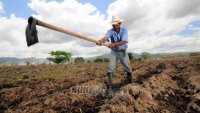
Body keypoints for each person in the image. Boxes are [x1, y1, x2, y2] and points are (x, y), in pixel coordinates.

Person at [97, 15, 133, 95]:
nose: (114, 26)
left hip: (123, 51)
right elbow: (105, 38)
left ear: (120, 23)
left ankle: (130, 80)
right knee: (110, 68)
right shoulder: (110, 31)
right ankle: (110, 87)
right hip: (114, 52)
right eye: (113, 24)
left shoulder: (124, 30)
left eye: (116, 24)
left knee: (128, 68)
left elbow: (124, 41)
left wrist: (113, 44)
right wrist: (100, 41)